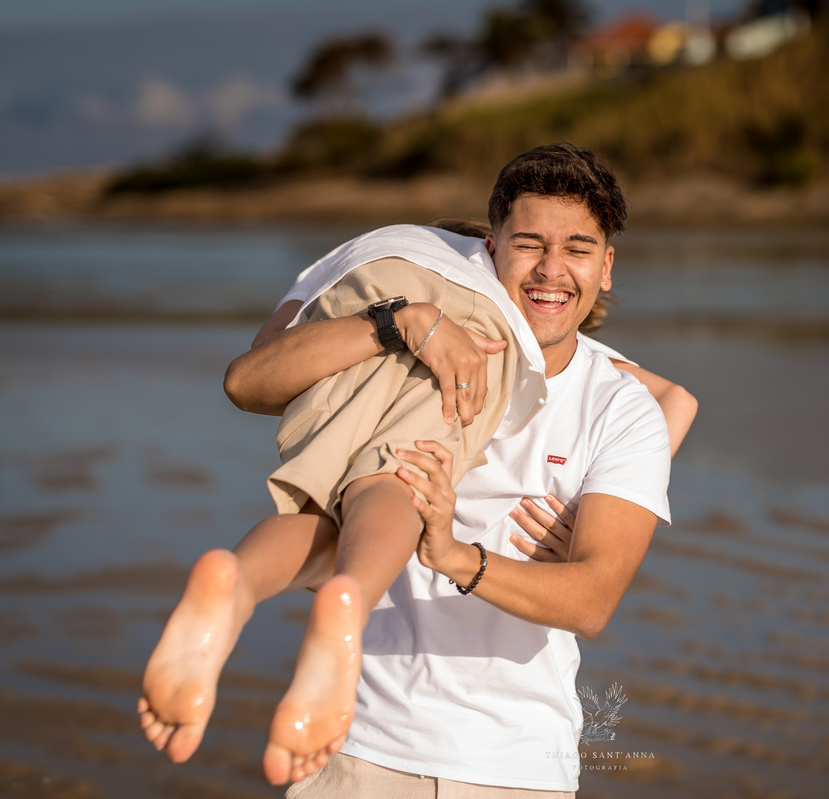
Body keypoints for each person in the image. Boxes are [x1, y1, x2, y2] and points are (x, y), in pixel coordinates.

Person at [141, 143, 697, 795]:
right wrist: (399, 328)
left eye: (576, 249)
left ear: (606, 266)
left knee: (327, 514)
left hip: (510, 765)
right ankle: (265, 593)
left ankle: (235, 583)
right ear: (491, 250)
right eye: (528, 245)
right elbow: (249, 380)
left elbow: (593, 598)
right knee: (366, 503)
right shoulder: (432, 348)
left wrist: (459, 555)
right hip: (357, 742)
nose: (550, 269)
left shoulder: (618, 403)